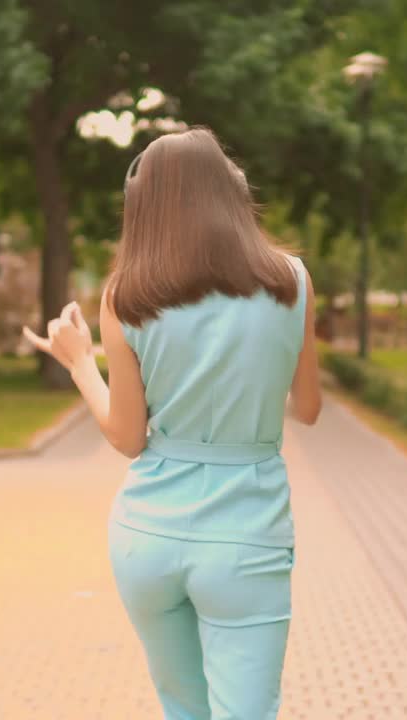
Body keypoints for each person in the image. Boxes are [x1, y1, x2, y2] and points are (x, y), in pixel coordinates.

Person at [24, 127, 322, 720]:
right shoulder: (293, 281)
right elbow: (309, 408)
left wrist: (82, 362)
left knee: (184, 711)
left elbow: (129, 438)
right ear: (232, 193)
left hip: (148, 538)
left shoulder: (127, 296)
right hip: (247, 536)